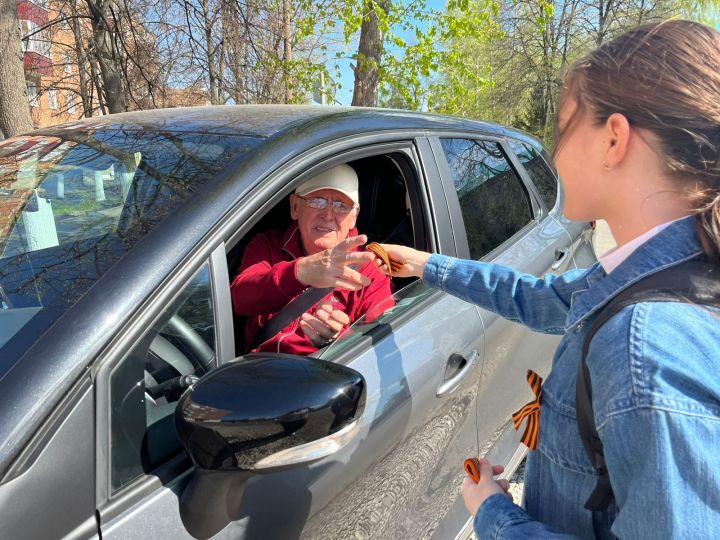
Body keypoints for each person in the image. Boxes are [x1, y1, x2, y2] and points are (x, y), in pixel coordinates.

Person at [371, 20, 720, 539]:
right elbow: (539, 298)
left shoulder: (642, 343)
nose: (553, 154)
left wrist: (493, 514)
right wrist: (425, 265)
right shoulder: (660, 273)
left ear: (614, 139)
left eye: (562, 127)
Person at [231, 163, 393, 355]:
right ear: (294, 207)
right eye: (317, 201)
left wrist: (339, 342)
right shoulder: (267, 245)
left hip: (321, 378)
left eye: (341, 205)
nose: (328, 215)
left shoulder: (371, 269)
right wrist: (300, 272)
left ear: (354, 216)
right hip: (253, 371)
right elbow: (240, 299)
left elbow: (382, 344)